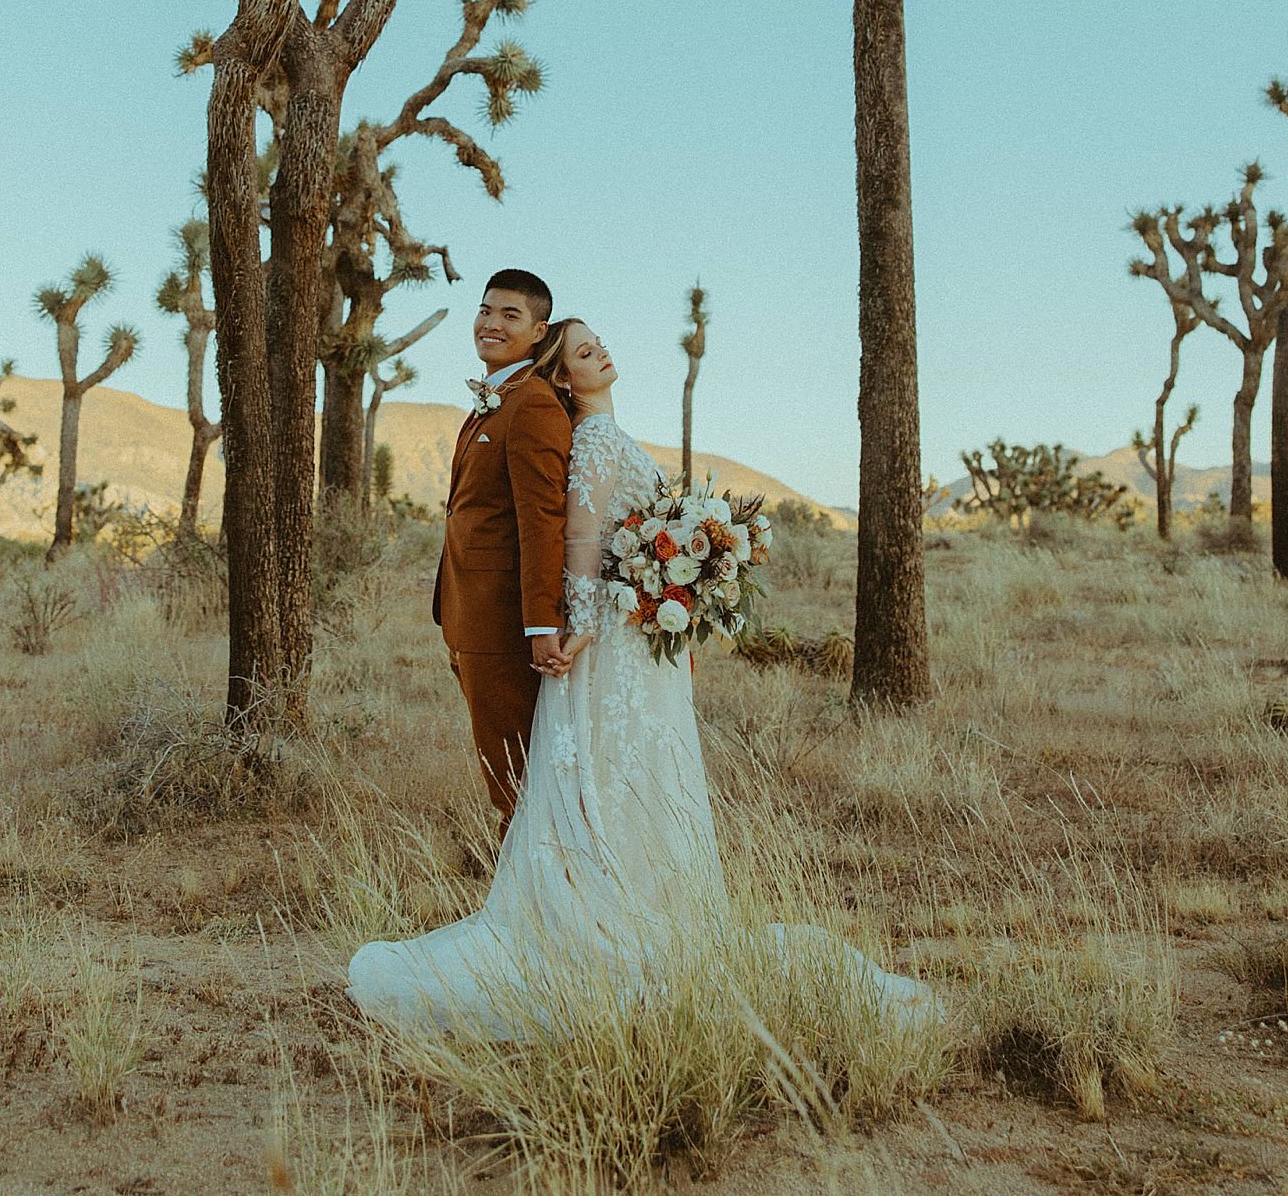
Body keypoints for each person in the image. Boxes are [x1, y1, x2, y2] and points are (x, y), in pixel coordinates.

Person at [348, 317, 939, 1038]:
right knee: (611, 766)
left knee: (644, 770)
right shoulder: (593, 440)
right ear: (564, 377)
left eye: (601, 343)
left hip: (639, 641)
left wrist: (680, 595)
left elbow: (630, 542)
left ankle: (651, 901)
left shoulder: (612, 435)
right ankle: (607, 911)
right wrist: (590, 623)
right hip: (612, 645)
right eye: (585, 352)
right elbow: (583, 542)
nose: (603, 352)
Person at [429, 269, 572, 832]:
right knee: (502, 764)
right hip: (470, 613)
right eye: (485, 311)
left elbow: (542, 521)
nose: (491, 323)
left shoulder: (531, 405)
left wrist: (541, 625)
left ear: (538, 331)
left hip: (504, 620)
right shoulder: (496, 399)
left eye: (510, 316)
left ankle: (542, 896)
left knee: (513, 770)